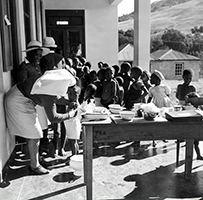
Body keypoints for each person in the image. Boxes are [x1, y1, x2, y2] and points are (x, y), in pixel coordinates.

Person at [5, 53, 77, 175]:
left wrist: (68, 102)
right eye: (62, 62)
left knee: (35, 133)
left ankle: (36, 160)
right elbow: (53, 118)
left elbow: (55, 97)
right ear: (54, 67)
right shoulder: (46, 85)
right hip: (18, 101)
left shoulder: (48, 81)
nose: (64, 65)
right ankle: (34, 166)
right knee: (35, 134)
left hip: (22, 98)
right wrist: (70, 114)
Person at [176, 69, 203, 160]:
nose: (188, 80)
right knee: (182, 126)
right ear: (183, 77)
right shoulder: (180, 86)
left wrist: (190, 102)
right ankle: (181, 137)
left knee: (195, 137)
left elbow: (195, 100)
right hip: (181, 108)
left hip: (190, 110)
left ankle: (198, 154)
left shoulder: (192, 88)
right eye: (187, 78)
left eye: (190, 78)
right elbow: (177, 95)